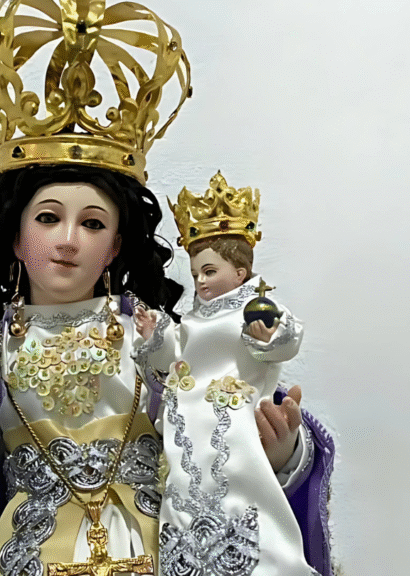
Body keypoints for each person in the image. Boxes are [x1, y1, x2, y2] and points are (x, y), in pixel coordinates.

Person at [0, 2, 335, 576]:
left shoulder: (153, 337)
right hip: (26, 554)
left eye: (92, 224)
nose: (69, 240)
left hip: (153, 548)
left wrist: (277, 455)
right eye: (48, 218)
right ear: (16, 238)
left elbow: (211, 434)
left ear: (115, 246)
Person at [134, 171, 333, 575]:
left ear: (240, 272)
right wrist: (155, 337)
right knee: (187, 490)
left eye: (209, 271)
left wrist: (266, 337)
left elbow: (284, 337)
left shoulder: (253, 308)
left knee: (241, 484)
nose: (200, 281)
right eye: (196, 274)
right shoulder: (192, 318)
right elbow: (172, 354)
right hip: (186, 423)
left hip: (232, 417)